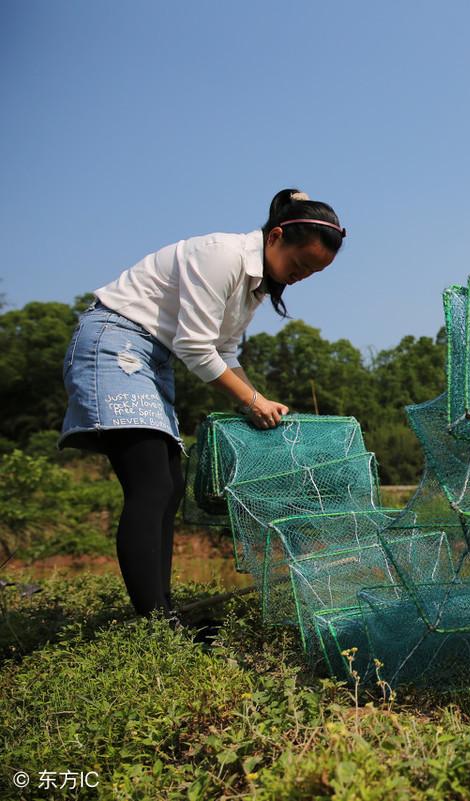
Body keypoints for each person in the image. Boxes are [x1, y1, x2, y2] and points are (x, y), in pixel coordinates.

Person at [59, 188, 346, 620]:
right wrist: (252, 400)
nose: (299, 276)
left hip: (153, 359)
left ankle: (163, 613)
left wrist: (258, 401)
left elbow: (224, 352)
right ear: (276, 237)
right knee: (151, 485)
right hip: (115, 343)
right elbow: (195, 347)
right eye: (300, 264)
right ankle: (157, 624)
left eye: (312, 272)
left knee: (169, 486)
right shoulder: (222, 257)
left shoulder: (255, 288)